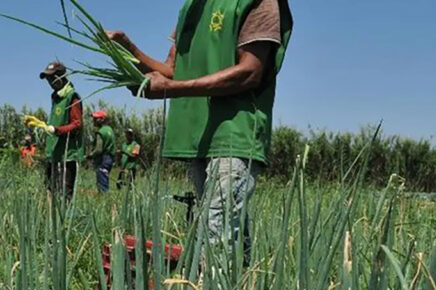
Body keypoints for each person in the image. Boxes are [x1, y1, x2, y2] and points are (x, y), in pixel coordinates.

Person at [108, 0, 293, 265]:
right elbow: (172, 71)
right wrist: (127, 48)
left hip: (234, 135)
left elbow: (250, 72)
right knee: (225, 229)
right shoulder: (193, 7)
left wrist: (172, 89)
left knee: (217, 230)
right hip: (197, 137)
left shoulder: (260, 2)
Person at [31, 61, 84, 201]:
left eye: (52, 77)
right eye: (48, 79)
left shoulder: (72, 97)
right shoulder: (56, 97)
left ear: (62, 76)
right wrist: (43, 126)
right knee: (50, 190)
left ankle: (64, 222)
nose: (50, 82)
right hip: (54, 153)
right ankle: (50, 220)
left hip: (66, 156)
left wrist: (56, 130)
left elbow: (77, 125)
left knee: (63, 196)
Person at [89, 110, 116, 193]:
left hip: (103, 159)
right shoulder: (110, 130)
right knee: (105, 178)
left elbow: (98, 150)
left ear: (102, 119)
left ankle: (106, 200)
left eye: (96, 118)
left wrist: (89, 156)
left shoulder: (100, 132)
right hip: (110, 158)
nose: (93, 120)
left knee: (102, 184)